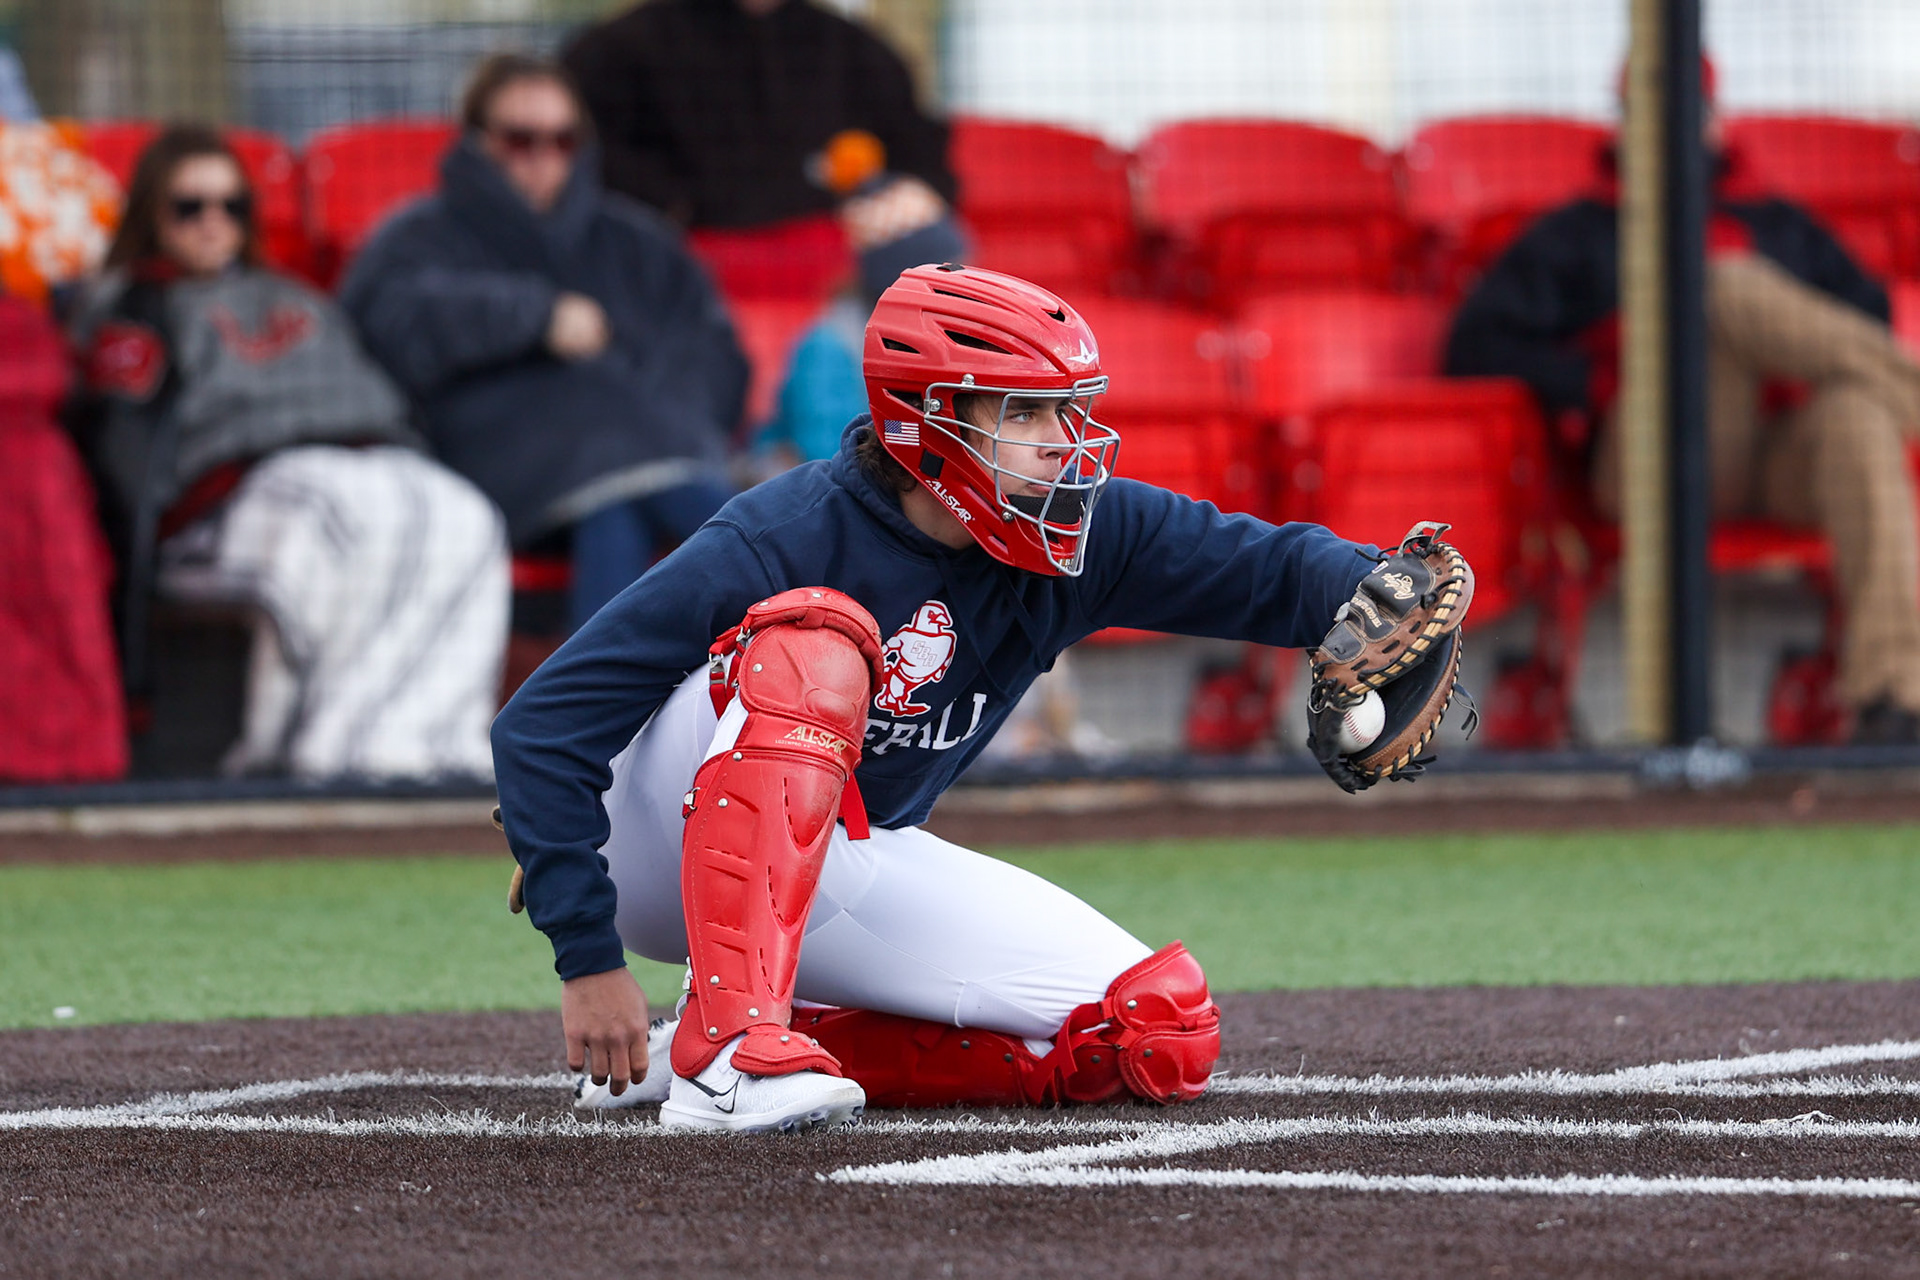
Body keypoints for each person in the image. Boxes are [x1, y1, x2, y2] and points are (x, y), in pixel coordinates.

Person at [492, 264, 1452, 1132]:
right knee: (816, 641)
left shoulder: (1082, 531)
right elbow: (541, 728)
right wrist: (587, 951)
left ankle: (727, 1026)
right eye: (1025, 415)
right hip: (650, 850)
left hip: (838, 855)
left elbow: (1267, 568)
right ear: (921, 422)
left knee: (1153, 1031)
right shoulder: (782, 532)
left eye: (1068, 413)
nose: (1062, 445)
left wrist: (1391, 593)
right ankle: (729, 1055)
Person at [1445, 60, 1920, 745]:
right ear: (1622, 124)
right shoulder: (1577, 233)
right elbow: (1476, 345)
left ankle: (1893, 699)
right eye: (1646, 110)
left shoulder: (1777, 222)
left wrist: (1781, 354)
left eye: (1685, 111)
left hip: (1770, 454)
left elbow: (1865, 320)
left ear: (1714, 121)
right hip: (1644, 459)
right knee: (1716, 282)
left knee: (1859, 415)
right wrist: (1597, 383)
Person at [67, 125, 509, 780]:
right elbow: (128, 454)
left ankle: (437, 743)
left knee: (466, 514)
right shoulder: (126, 306)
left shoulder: (297, 296)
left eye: (231, 206)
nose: (213, 223)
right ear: (152, 216)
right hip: (227, 500)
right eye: (190, 207)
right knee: (348, 516)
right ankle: (335, 748)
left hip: (356, 460)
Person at [342, 54, 746, 633]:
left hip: (640, 452)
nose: (543, 158)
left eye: (562, 140)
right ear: (479, 142)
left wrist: (670, 415)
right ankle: (844, 652)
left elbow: (713, 353)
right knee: (724, 515)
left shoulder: (637, 241)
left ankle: (599, 715)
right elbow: (385, 325)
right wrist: (531, 317)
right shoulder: (417, 236)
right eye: (520, 140)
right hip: (511, 461)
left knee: (617, 509)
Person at [559, 0, 955, 231]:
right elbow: (574, 146)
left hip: (827, 282)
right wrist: (670, 202)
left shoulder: (855, 53)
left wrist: (906, 198)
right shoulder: (623, 50)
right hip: (686, 274)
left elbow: (920, 160)